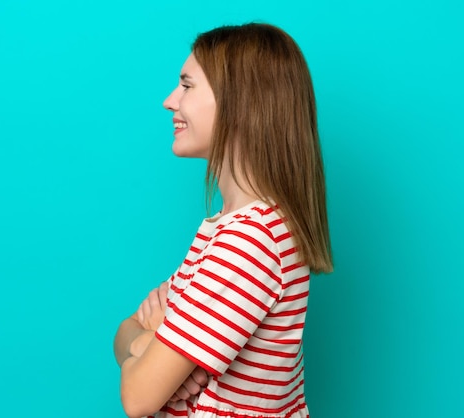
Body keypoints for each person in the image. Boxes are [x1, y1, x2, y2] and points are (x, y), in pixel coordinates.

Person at [113, 22, 333, 418]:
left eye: (187, 85)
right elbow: (127, 329)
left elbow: (137, 397)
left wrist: (151, 347)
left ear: (239, 101)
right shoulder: (231, 229)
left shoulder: (250, 241)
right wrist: (146, 345)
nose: (169, 101)